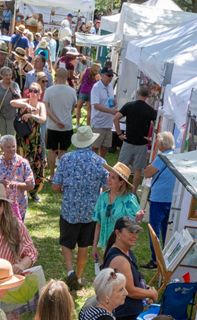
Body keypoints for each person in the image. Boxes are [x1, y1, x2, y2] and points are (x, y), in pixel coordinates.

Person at [51, 125, 110, 289]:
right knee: (84, 245)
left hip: (69, 210)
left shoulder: (66, 159)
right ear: (91, 142)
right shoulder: (100, 162)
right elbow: (107, 187)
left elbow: (55, 186)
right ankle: (78, 276)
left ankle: (70, 272)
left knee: (67, 242)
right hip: (90, 212)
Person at [103, 218, 156, 320]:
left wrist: (146, 289)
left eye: (136, 232)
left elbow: (134, 279)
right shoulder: (120, 260)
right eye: (131, 232)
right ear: (118, 233)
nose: (135, 236)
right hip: (121, 317)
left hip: (128, 315)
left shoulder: (127, 252)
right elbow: (130, 291)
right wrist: (151, 294)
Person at [93, 164, 141, 268]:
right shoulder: (102, 197)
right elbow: (98, 223)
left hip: (121, 245)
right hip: (105, 244)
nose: (108, 179)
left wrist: (137, 219)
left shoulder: (129, 199)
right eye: (109, 175)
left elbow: (134, 225)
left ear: (121, 182)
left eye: (113, 177)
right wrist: (94, 246)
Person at [0, 135, 36, 221]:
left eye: (13, 146)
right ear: (2, 148)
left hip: (18, 205)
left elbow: (31, 185)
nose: (11, 149)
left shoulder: (23, 163)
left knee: (16, 230)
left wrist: (17, 185)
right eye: (8, 147)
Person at [142, 130, 176, 249]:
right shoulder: (176, 156)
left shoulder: (162, 157)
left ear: (162, 144)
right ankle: (166, 254)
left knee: (154, 228)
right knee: (166, 228)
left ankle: (155, 258)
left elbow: (147, 173)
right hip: (171, 198)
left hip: (159, 197)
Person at [43, 65, 79, 179]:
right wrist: (64, 118)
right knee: (63, 150)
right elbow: (74, 107)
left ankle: (52, 175)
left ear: (56, 76)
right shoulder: (72, 91)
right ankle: (60, 175)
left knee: (52, 150)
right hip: (67, 125)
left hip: (52, 125)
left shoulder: (49, 90)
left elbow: (46, 109)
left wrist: (56, 120)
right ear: (67, 77)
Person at [13, 84, 48, 198]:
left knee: (36, 165)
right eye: (30, 90)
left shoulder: (41, 105)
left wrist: (31, 115)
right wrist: (25, 105)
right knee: (21, 164)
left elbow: (43, 119)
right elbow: (12, 102)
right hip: (23, 139)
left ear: (40, 93)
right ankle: (21, 189)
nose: (33, 93)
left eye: (35, 91)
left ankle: (34, 191)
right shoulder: (25, 102)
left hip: (35, 140)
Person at [117, 85, 158, 182]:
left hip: (128, 140)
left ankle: (119, 189)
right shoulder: (150, 110)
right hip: (142, 143)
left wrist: (119, 134)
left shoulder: (129, 105)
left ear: (138, 93)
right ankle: (134, 192)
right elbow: (156, 124)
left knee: (121, 167)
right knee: (138, 169)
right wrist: (149, 127)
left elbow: (116, 118)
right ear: (148, 95)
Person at [88, 65, 117, 149]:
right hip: (98, 123)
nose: (110, 77)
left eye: (112, 75)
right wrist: (110, 111)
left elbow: (109, 100)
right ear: (103, 75)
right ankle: (93, 162)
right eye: (109, 75)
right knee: (95, 147)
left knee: (105, 148)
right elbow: (96, 105)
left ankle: (102, 162)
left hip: (108, 123)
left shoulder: (110, 86)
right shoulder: (96, 87)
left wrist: (114, 102)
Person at [0, 66, 22, 137]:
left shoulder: (15, 85)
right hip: (0, 112)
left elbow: (19, 98)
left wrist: (11, 88)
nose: (8, 77)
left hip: (11, 113)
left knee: (10, 134)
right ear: (2, 76)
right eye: (6, 75)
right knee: (2, 134)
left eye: (10, 75)